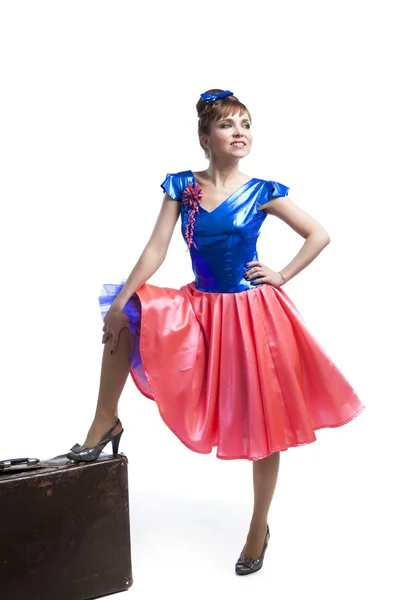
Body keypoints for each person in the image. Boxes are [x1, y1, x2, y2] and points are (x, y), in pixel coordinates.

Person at [66, 89, 366, 575]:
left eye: (246, 124)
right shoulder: (181, 186)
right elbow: (156, 250)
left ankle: (258, 525)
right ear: (206, 137)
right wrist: (119, 302)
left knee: (266, 420)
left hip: (252, 316)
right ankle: (105, 420)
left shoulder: (264, 190)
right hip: (200, 306)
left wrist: (283, 274)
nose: (240, 131)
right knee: (129, 311)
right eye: (228, 125)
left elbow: (319, 234)